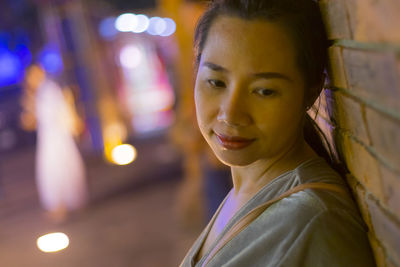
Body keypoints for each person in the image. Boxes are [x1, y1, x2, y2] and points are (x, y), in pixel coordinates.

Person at [179, 0, 375, 266]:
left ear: (311, 91)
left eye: (264, 91)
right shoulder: (245, 188)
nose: (231, 114)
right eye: (216, 82)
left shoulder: (313, 220)